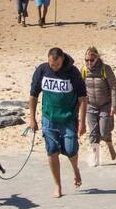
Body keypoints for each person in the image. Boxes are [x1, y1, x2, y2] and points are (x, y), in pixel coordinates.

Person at [27, 47, 88, 198]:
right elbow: (33, 95)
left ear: (63, 60)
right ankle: (57, 186)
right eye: (51, 64)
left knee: (70, 149)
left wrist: (82, 122)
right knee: (52, 150)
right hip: (49, 118)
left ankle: (76, 170)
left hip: (68, 118)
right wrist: (32, 118)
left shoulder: (72, 72)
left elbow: (83, 98)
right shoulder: (42, 70)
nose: (54, 68)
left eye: (57, 65)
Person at [81, 46, 116, 166]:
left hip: (105, 105)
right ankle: (95, 157)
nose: (89, 63)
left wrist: (114, 106)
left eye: (91, 60)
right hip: (90, 105)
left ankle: (109, 144)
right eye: (86, 60)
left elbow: (114, 88)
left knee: (103, 131)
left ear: (97, 58)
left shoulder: (105, 69)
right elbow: (80, 89)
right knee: (93, 132)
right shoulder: (84, 70)